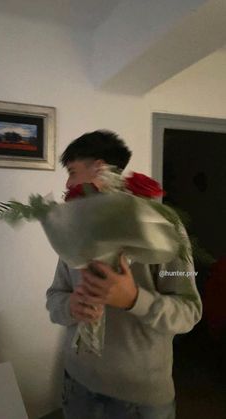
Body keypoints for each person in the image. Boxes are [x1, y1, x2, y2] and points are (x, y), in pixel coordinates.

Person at [46, 130, 202, 419]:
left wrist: (133, 299)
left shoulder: (163, 226)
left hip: (139, 398)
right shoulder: (74, 226)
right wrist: (70, 306)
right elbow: (55, 295)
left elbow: (189, 312)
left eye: (72, 171)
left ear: (99, 169)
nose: (67, 182)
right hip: (77, 383)